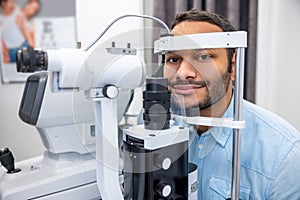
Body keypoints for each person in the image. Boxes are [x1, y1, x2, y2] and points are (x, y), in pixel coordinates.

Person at [164, 9, 300, 199]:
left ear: (233, 65)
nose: (182, 73)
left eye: (203, 57)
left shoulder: (285, 156)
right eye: (174, 59)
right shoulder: (154, 127)